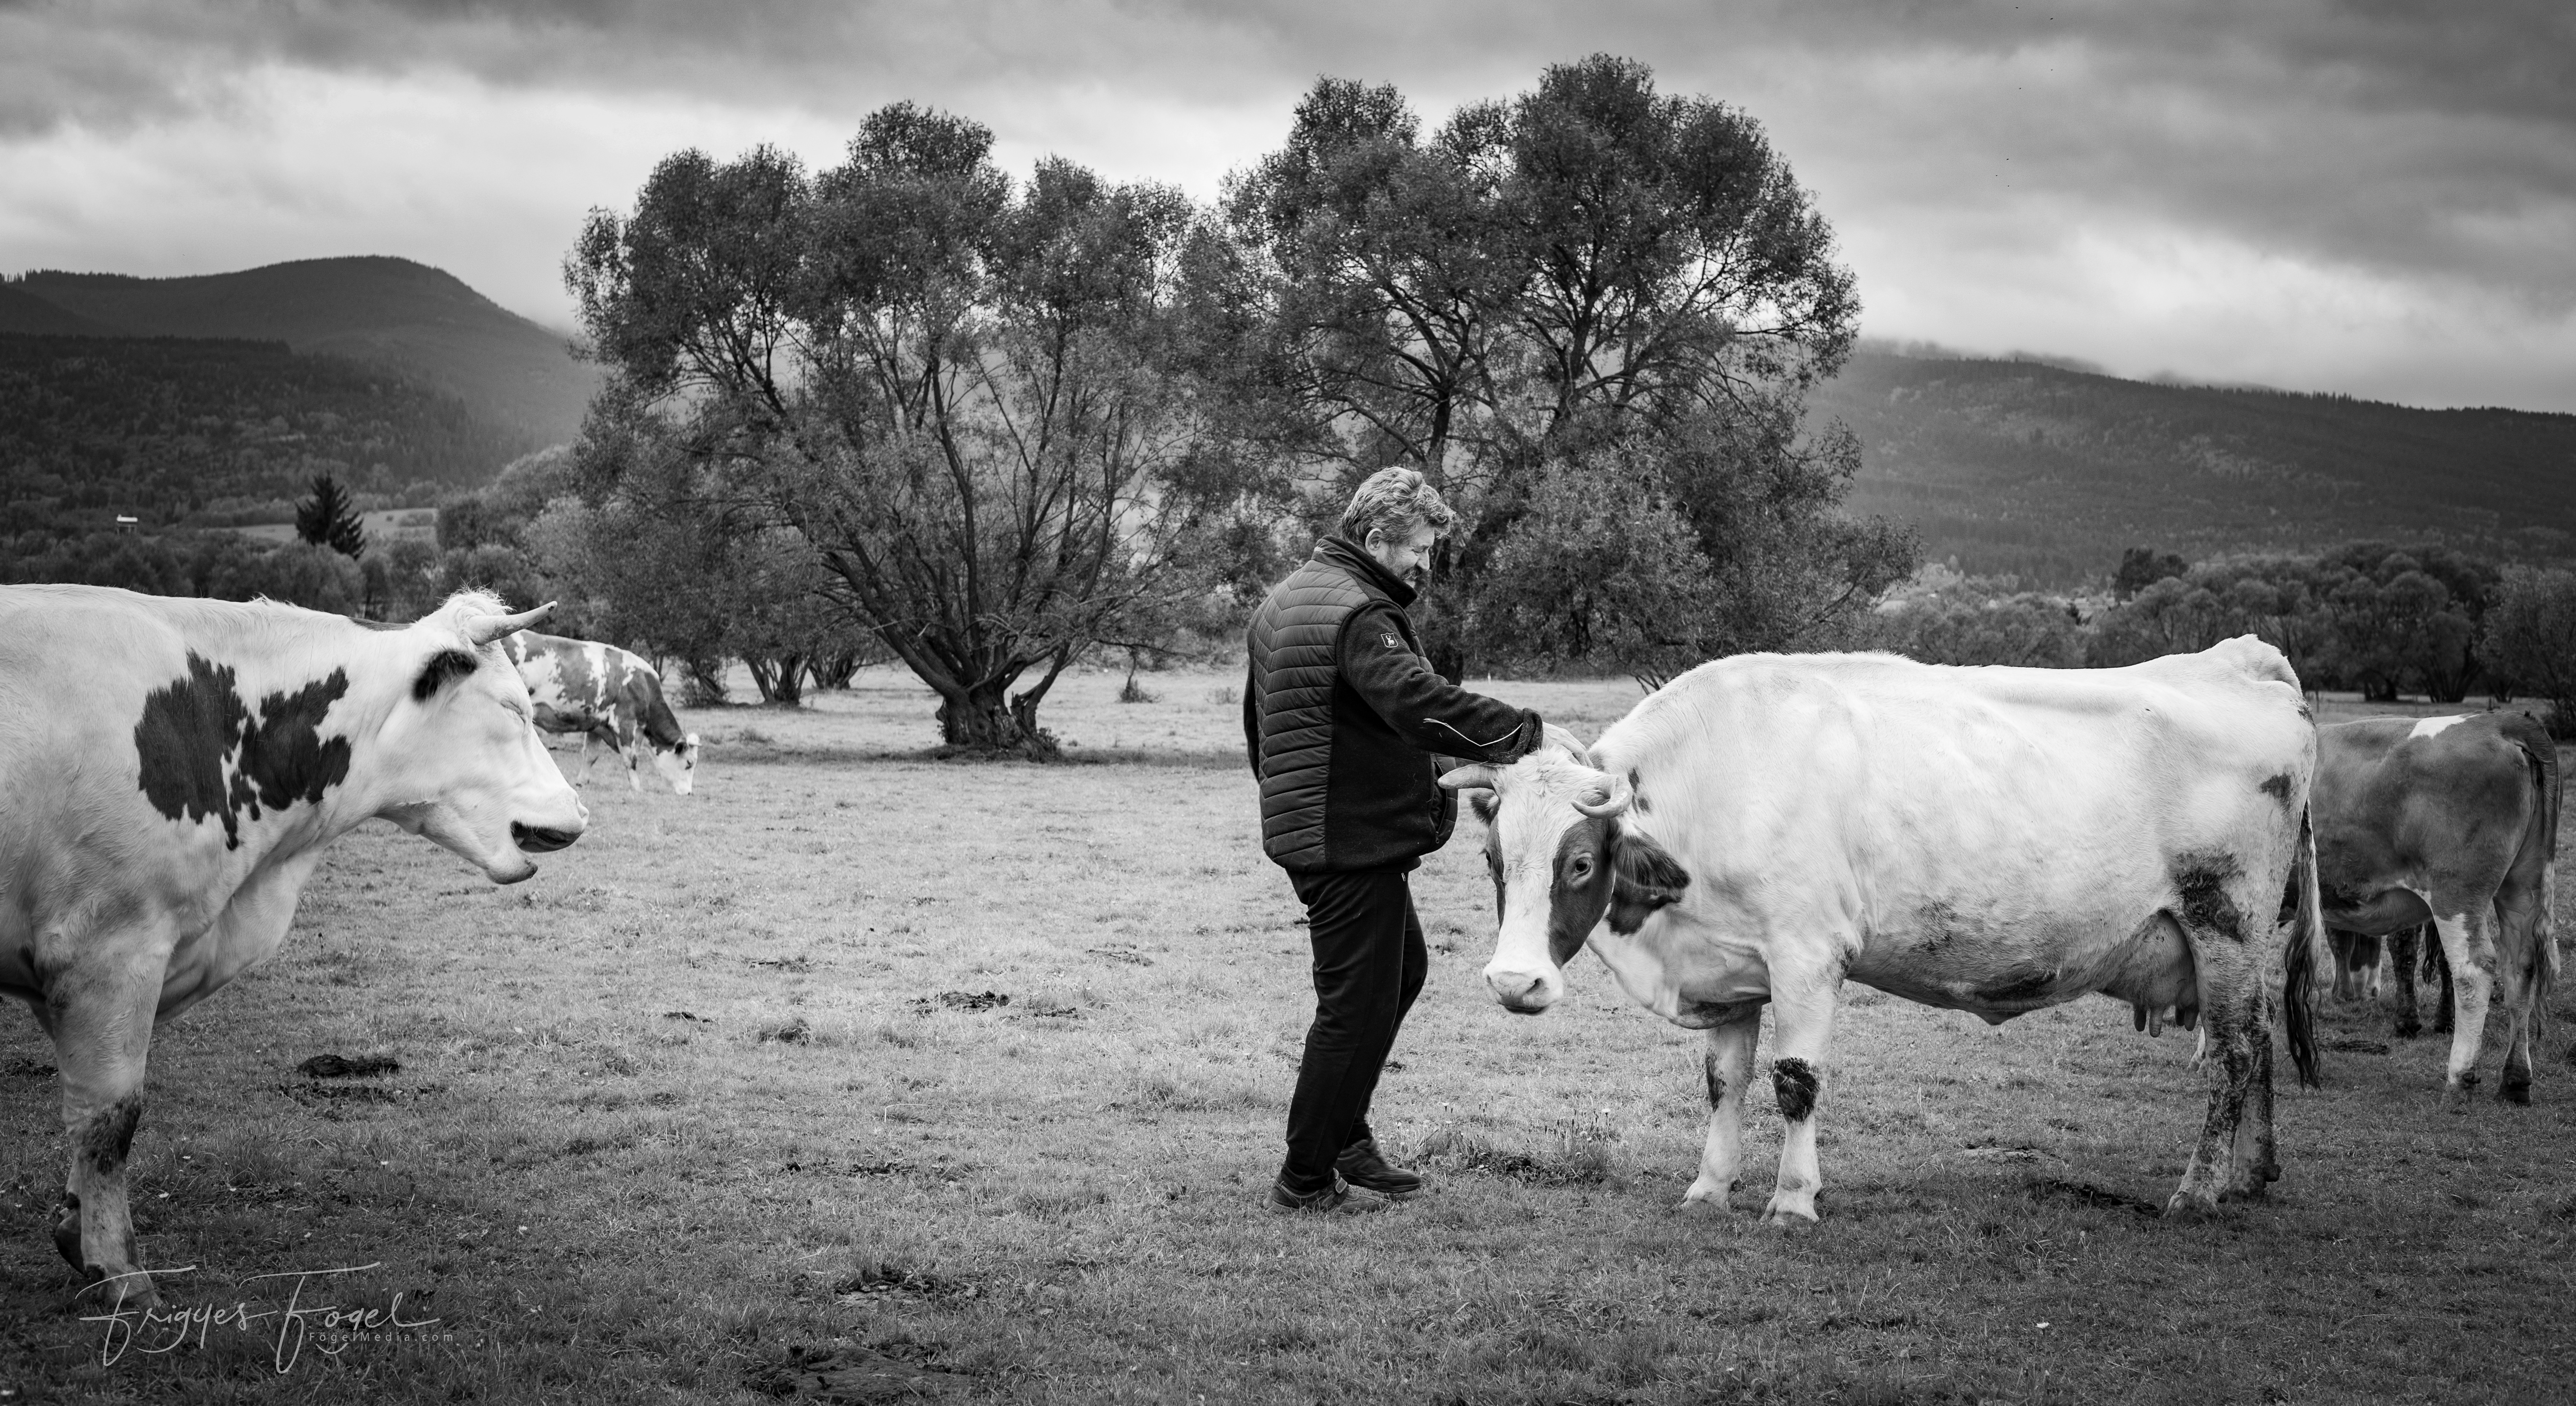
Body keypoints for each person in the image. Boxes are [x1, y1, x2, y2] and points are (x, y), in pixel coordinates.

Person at [1241, 467, 1546, 1212]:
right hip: (1342, 842)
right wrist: (1519, 733)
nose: (1423, 565)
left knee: (1400, 972)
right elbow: (1413, 702)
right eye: (1416, 549)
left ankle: (1342, 1133)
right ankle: (1306, 1177)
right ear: (1375, 539)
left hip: (1319, 830)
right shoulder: (1356, 614)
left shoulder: (1284, 601)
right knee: (1355, 1006)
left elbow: (1262, 732)